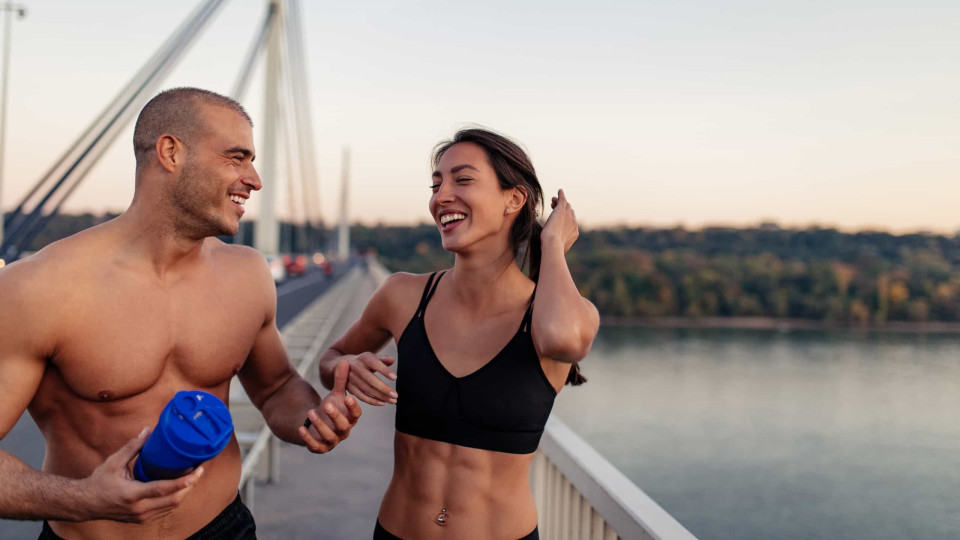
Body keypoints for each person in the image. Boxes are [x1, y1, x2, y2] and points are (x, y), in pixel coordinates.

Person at [0, 87, 361, 539]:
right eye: (237, 157)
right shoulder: (39, 288)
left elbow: (276, 388)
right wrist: (83, 499)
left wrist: (314, 418)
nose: (255, 179)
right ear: (171, 152)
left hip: (224, 527)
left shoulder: (246, 274)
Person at [318, 128, 599, 539]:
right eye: (436, 185)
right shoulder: (403, 295)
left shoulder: (555, 316)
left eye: (462, 180)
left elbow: (562, 341)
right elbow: (330, 360)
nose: (441, 196)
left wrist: (553, 243)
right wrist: (343, 365)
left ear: (514, 199)